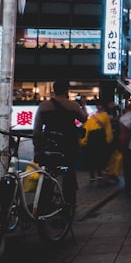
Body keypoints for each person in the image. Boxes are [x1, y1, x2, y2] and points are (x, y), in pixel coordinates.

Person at [33, 79, 87, 207]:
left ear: (53, 90)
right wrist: (83, 105)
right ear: (67, 91)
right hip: (69, 144)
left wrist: (37, 148)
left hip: (50, 144)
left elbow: (37, 130)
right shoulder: (72, 105)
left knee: (48, 173)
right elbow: (83, 118)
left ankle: (45, 202)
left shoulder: (44, 106)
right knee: (69, 173)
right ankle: (69, 202)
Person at [81, 100, 114, 184]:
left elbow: (104, 125)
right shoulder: (97, 115)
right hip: (96, 137)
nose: (98, 107)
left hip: (96, 137)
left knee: (96, 155)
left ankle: (96, 174)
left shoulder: (103, 115)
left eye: (99, 105)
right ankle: (94, 174)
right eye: (97, 105)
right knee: (94, 156)